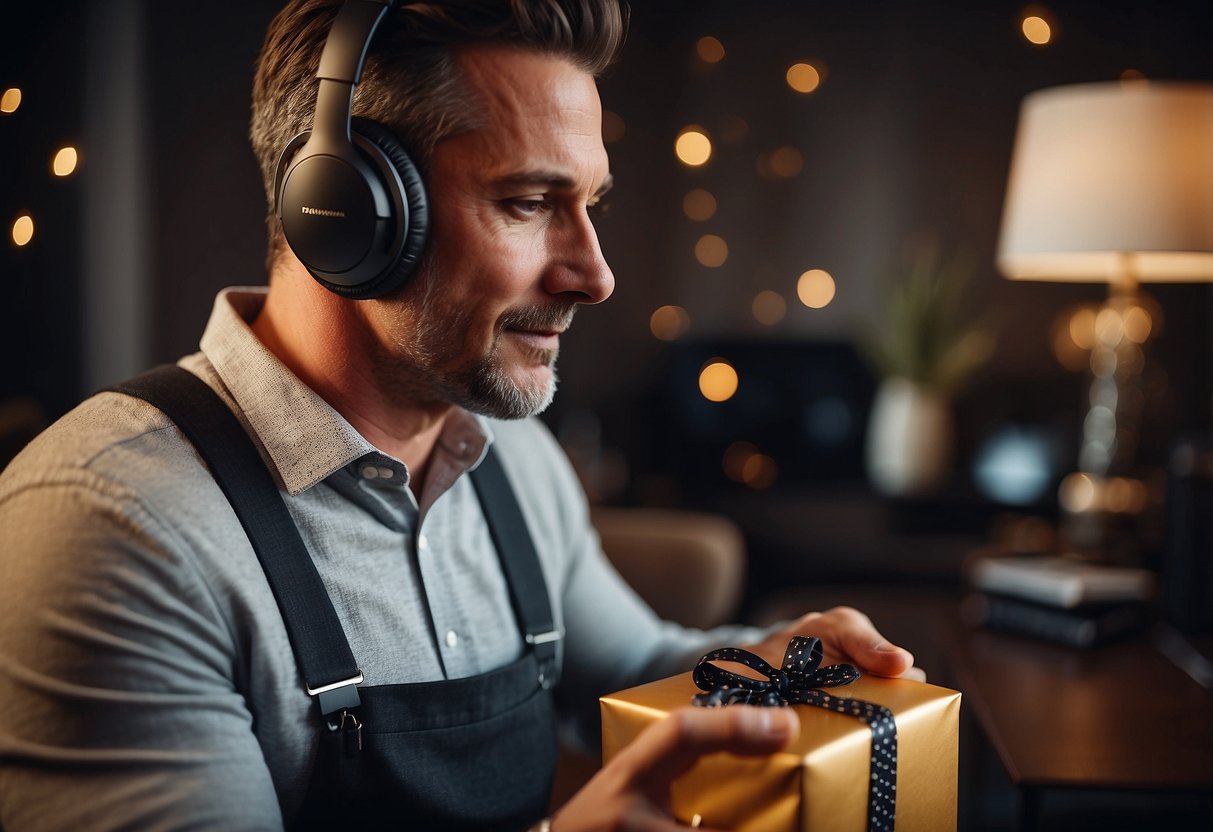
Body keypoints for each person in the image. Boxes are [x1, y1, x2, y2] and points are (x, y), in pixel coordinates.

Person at [0, 1, 921, 829]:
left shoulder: (512, 458)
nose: (594, 276)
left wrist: (764, 663)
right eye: (527, 203)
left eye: (589, 205)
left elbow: (633, 661)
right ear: (346, 212)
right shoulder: (110, 530)